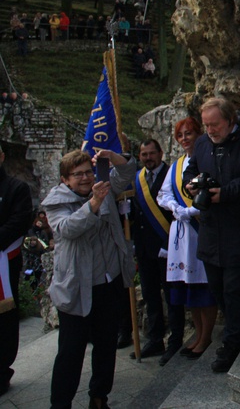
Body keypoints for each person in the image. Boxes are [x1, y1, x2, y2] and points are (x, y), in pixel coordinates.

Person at [183, 97, 240, 373]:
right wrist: (191, 184)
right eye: (206, 125)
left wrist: (226, 193)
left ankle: (232, 340)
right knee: (217, 288)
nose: (210, 130)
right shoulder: (201, 143)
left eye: (215, 124)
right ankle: (238, 329)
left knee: (233, 287)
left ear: (231, 120)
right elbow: (192, 169)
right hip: (211, 228)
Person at [42, 149, 136, 409]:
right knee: (70, 353)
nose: (85, 178)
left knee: (106, 347)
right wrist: (94, 203)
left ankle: (99, 397)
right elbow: (68, 229)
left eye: (88, 171)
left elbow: (128, 170)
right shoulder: (55, 202)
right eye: (77, 174)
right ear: (65, 179)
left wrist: (112, 156)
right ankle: (60, 405)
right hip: (76, 289)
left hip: (109, 283)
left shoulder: (102, 187)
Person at [157, 117, 218, 361]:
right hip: (181, 233)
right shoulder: (176, 166)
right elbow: (164, 193)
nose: (184, 138)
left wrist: (192, 211)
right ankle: (198, 333)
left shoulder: (208, 158)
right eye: (180, 135)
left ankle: (206, 336)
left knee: (203, 285)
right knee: (187, 286)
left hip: (200, 229)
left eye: (189, 133)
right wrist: (174, 207)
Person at [130, 140, 184, 366]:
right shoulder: (136, 178)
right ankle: (155, 338)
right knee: (151, 295)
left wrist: (166, 242)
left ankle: (176, 340)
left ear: (161, 153)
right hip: (144, 248)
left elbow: (175, 212)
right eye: (144, 154)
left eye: (152, 153)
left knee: (172, 296)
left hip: (167, 247)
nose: (148, 157)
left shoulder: (172, 176)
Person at [0, 144, 34, 397]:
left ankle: (2, 371)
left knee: (4, 318)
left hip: (4, 263)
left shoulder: (16, 188)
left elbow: (19, 221)